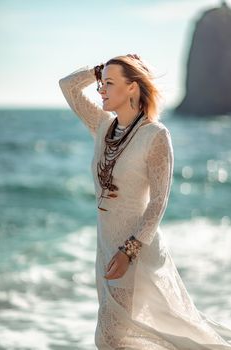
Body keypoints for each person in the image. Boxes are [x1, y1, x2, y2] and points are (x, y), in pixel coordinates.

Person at [59, 54, 231, 350]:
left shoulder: (155, 135)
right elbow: (68, 87)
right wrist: (98, 70)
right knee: (120, 339)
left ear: (133, 88)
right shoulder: (103, 127)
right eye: (102, 83)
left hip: (135, 249)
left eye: (110, 83)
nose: (101, 89)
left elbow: (158, 202)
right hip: (105, 246)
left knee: (109, 338)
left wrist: (129, 251)